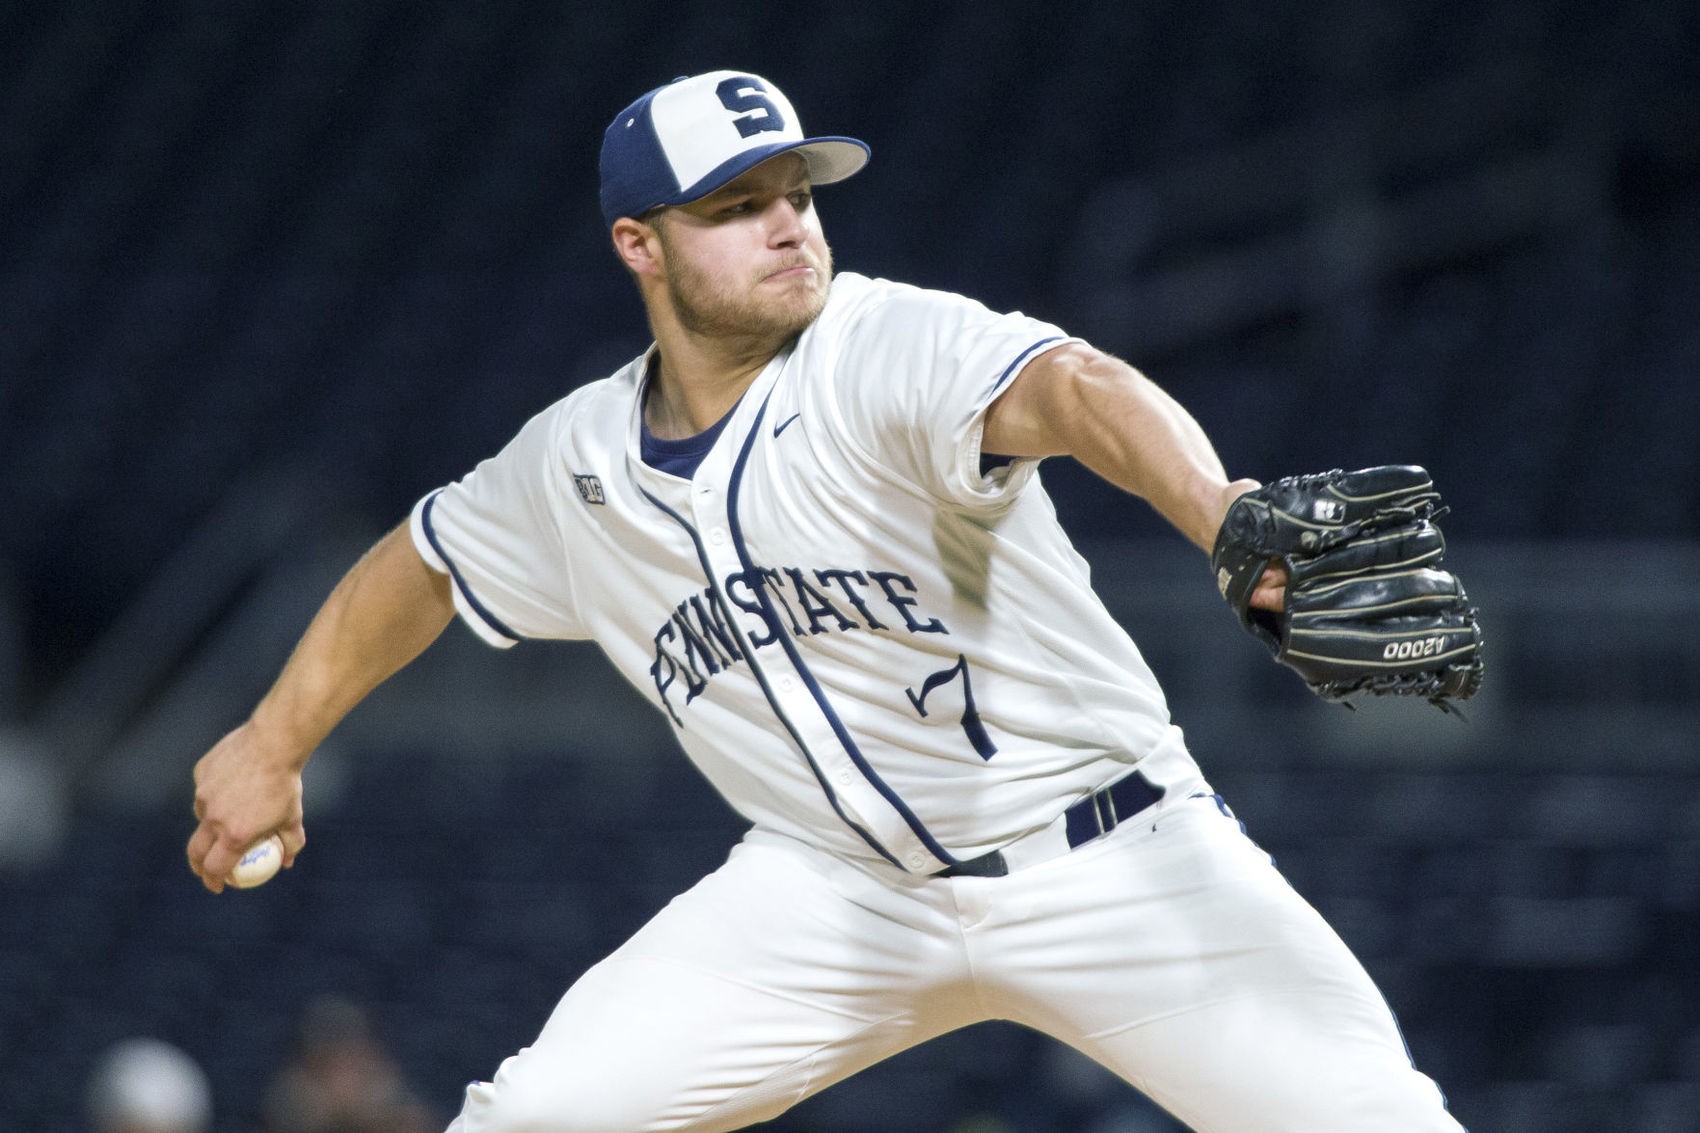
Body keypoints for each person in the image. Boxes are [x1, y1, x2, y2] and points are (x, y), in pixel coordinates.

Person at [186, 70, 1465, 1132]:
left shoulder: (881, 343)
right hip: (835, 894)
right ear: (638, 245)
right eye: (737, 206)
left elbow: (1072, 387)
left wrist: (1219, 508)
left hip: (1110, 855)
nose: (790, 225)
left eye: (797, 193)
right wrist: (273, 736)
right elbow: (421, 560)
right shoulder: (572, 462)